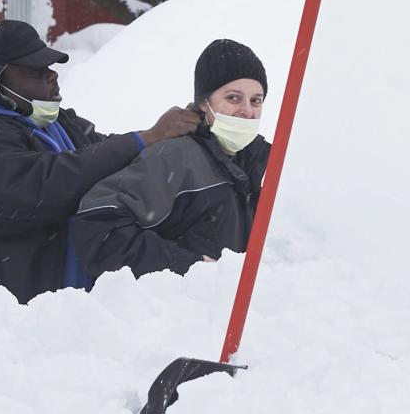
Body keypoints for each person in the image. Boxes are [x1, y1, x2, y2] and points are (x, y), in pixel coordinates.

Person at [0, 19, 201, 302]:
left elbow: (103, 153)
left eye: (50, 67)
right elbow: (42, 186)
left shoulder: (44, 119)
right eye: (35, 70)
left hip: (38, 298)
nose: (51, 76)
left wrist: (176, 138)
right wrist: (145, 137)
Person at [67, 39, 271, 286]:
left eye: (256, 100)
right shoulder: (176, 156)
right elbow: (98, 228)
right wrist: (187, 267)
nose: (247, 111)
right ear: (205, 103)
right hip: (182, 317)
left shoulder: (258, 164)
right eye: (233, 98)